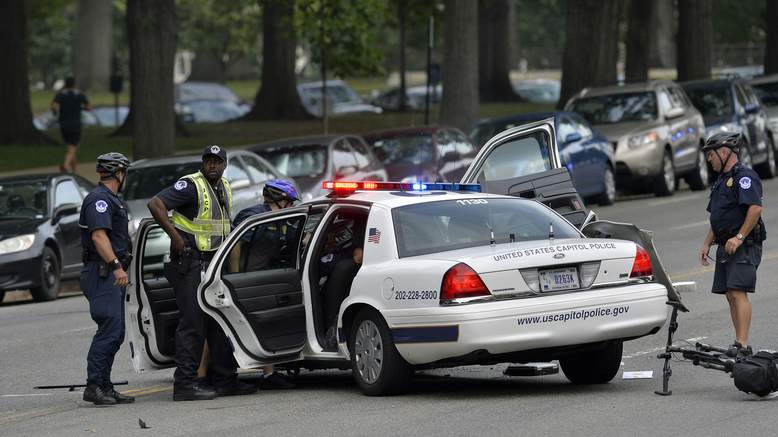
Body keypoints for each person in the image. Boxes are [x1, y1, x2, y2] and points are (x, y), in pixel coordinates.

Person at [148, 145, 256, 401]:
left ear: (225, 164)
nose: (212, 165)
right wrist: (174, 237)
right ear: (203, 163)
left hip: (213, 265)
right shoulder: (190, 186)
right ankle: (184, 384)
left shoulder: (224, 187)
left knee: (219, 323)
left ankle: (225, 380)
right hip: (190, 263)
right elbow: (155, 204)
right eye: (208, 160)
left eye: (217, 161)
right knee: (193, 325)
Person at [227, 179, 299, 389]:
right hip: (246, 279)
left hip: (265, 277)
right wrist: (236, 276)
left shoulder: (280, 218)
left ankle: (269, 374)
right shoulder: (254, 216)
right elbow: (236, 245)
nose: (291, 206)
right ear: (279, 199)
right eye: (289, 201)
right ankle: (209, 374)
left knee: (267, 324)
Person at [699, 132, 766, 356]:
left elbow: (755, 208)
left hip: (743, 244)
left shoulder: (744, 176)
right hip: (725, 244)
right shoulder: (720, 181)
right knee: (730, 293)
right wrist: (707, 243)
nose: (709, 159)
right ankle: (739, 342)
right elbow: (717, 216)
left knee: (738, 292)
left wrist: (738, 237)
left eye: (711, 154)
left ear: (725, 152)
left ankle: (743, 343)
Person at [79, 152, 135, 405]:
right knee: (109, 330)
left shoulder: (111, 199)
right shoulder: (99, 200)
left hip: (110, 273)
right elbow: (98, 237)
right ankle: (94, 386)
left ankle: (104, 384)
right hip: (102, 273)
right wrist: (116, 266)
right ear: (119, 173)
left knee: (116, 332)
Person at [51, 77, 90, 174]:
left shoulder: (60, 94)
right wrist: (81, 107)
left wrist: (56, 112)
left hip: (63, 125)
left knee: (71, 148)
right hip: (75, 124)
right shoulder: (79, 94)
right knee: (72, 148)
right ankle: (65, 165)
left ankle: (74, 172)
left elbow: (54, 106)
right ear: (74, 84)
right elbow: (88, 107)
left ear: (65, 84)